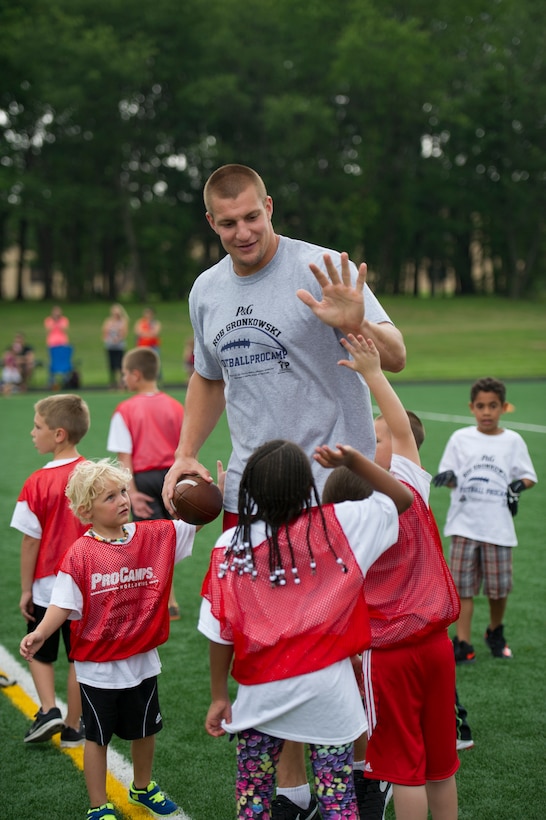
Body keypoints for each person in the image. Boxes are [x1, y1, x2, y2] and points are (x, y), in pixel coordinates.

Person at [161, 164, 406, 817]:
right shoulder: (206, 290)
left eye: (252, 217)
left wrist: (361, 325)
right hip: (253, 492)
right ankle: (294, 792)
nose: (243, 232)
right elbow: (207, 378)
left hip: (333, 486)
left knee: (344, 642)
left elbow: (398, 354)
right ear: (211, 223)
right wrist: (185, 451)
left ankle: (361, 772)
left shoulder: (321, 265)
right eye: (228, 222)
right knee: (271, 644)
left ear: (269, 206)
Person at [198, 439, 413, 820]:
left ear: (248, 489)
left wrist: (218, 695)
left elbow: (221, 633)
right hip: (330, 695)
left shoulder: (231, 544)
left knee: (253, 801)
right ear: (306, 486)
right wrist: (354, 461)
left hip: (260, 696)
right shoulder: (338, 526)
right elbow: (401, 499)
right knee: (339, 801)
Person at [323, 333, 461, 820]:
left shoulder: (345, 520)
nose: (371, 437)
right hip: (437, 646)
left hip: (388, 657)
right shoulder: (411, 488)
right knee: (441, 768)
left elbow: (397, 434)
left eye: (371, 436)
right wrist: (374, 373)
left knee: (404, 770)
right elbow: (402, 433)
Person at [19, 459, 197, 820]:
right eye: (109, 497)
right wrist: (40, 632)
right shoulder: (81, 554)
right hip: (98, 668)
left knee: (146, 731)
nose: (122, 500)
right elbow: (62, 604)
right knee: (97, 738)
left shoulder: (152, 535)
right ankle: (98, 805)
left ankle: (142, 787)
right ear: (86, 511)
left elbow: (195, 518)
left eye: (122, 492)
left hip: (142, 659)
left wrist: (212, 493)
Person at [432, 376, 537, 663]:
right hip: (464, 525)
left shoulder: (512, 441)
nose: (487, 412)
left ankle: (495, 631)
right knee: (463, 588)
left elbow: (528, 477)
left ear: (504, 407)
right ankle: (463, 643)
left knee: (497, 589)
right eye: (481, 406)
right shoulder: (460, 439)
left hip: (498, 528)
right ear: (471, 407)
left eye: (493, 406)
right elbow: (450, 474)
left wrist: (517, 487)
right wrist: (450, 478)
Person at [10, 394, 90, 747]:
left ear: (58, 434)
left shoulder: (35, 482)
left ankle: (48, 710)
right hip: (88, 583)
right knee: (79, 658)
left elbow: (30, 542)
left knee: (40, 649)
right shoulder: (93, 475)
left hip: (47, 585)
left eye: (37, 427)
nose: (32, 433)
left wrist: (26, 589)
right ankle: (74, 726)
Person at [107, 347, 184, 619]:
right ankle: (170, 602)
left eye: (125, 373)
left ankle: (158, 603)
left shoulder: (125, 410)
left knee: (148, 545)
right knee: (169, 541)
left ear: (136, 375)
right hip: (173, 479)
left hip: (143, 480)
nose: (124, 378)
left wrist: (131, 493)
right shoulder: (176, 406)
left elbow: (124, 457)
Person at [102, 303, 129, 388]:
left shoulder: (123, 321)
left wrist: (118, 339)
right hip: (110, 345)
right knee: (111, 365)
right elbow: (104, 332)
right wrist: (108, 340)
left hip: (119, 346)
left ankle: (121, 382)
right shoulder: (108, 321)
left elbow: (124, 332)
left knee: (120, 364)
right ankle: (112, 382)